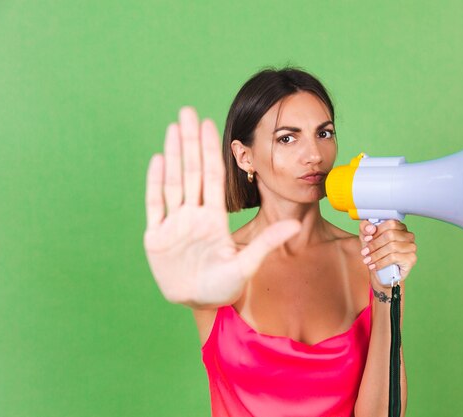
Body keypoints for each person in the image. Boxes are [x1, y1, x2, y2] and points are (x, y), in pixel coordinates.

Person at [144, 67, 417, 417]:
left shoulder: (368, 259)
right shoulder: (219, 263)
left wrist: (385, 290)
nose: (314, 155)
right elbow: (202, 289)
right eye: (287, 138)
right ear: (244, 156)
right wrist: (190, 285)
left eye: (324, 133)